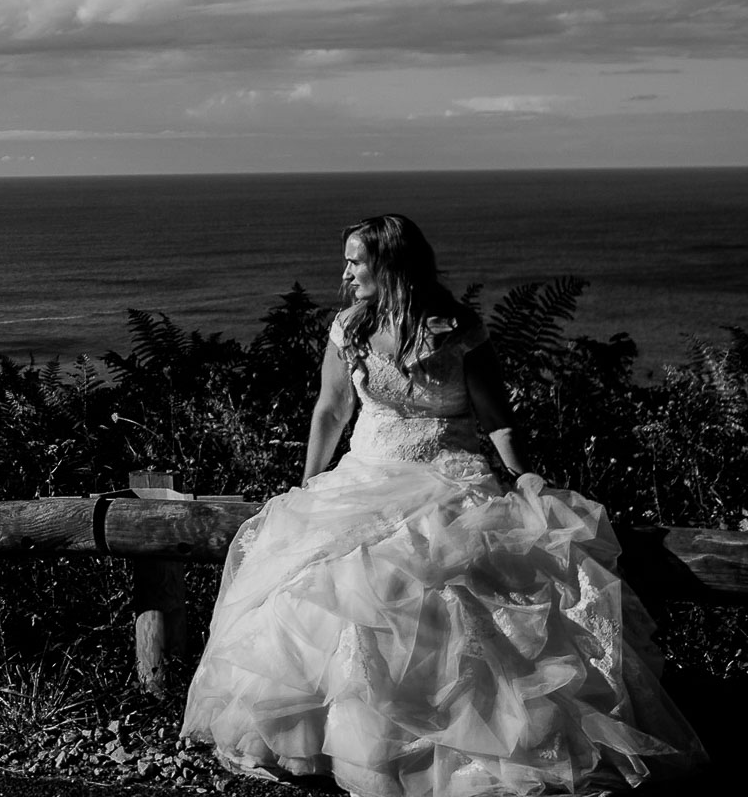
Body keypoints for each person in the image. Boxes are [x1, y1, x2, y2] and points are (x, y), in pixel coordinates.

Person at [180, 214, 706, 797]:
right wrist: (308, 484)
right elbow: (331, 411)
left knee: (453, 600)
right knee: (326, 588)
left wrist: (523, 474)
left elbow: (496, 419)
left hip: (446, 479)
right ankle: (339, 748)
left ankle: (449, 753)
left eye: (356, 261)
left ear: (390, 266)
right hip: (363, 477)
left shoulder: (460, 330)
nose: (346, 272)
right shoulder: (349, 329)